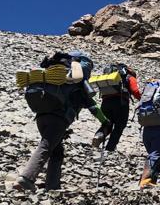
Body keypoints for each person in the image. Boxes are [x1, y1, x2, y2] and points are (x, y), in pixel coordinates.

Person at [12, 51, 110, 192]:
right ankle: (26, 179)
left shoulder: (57, 78)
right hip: (58, 118)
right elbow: (92, 106)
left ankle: (52, 186)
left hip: (41, 115)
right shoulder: (75, 84)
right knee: (46, 145)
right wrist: (105, 121)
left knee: (57, 151)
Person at [91, 63, 141, 152]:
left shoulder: (110, 76)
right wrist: (143, 100)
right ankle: (110, 148)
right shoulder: (129, 77)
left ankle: (98, 135)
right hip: (121, 103)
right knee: (119, 126)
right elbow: (135, 91)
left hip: (105, 103)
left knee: (107, 123)